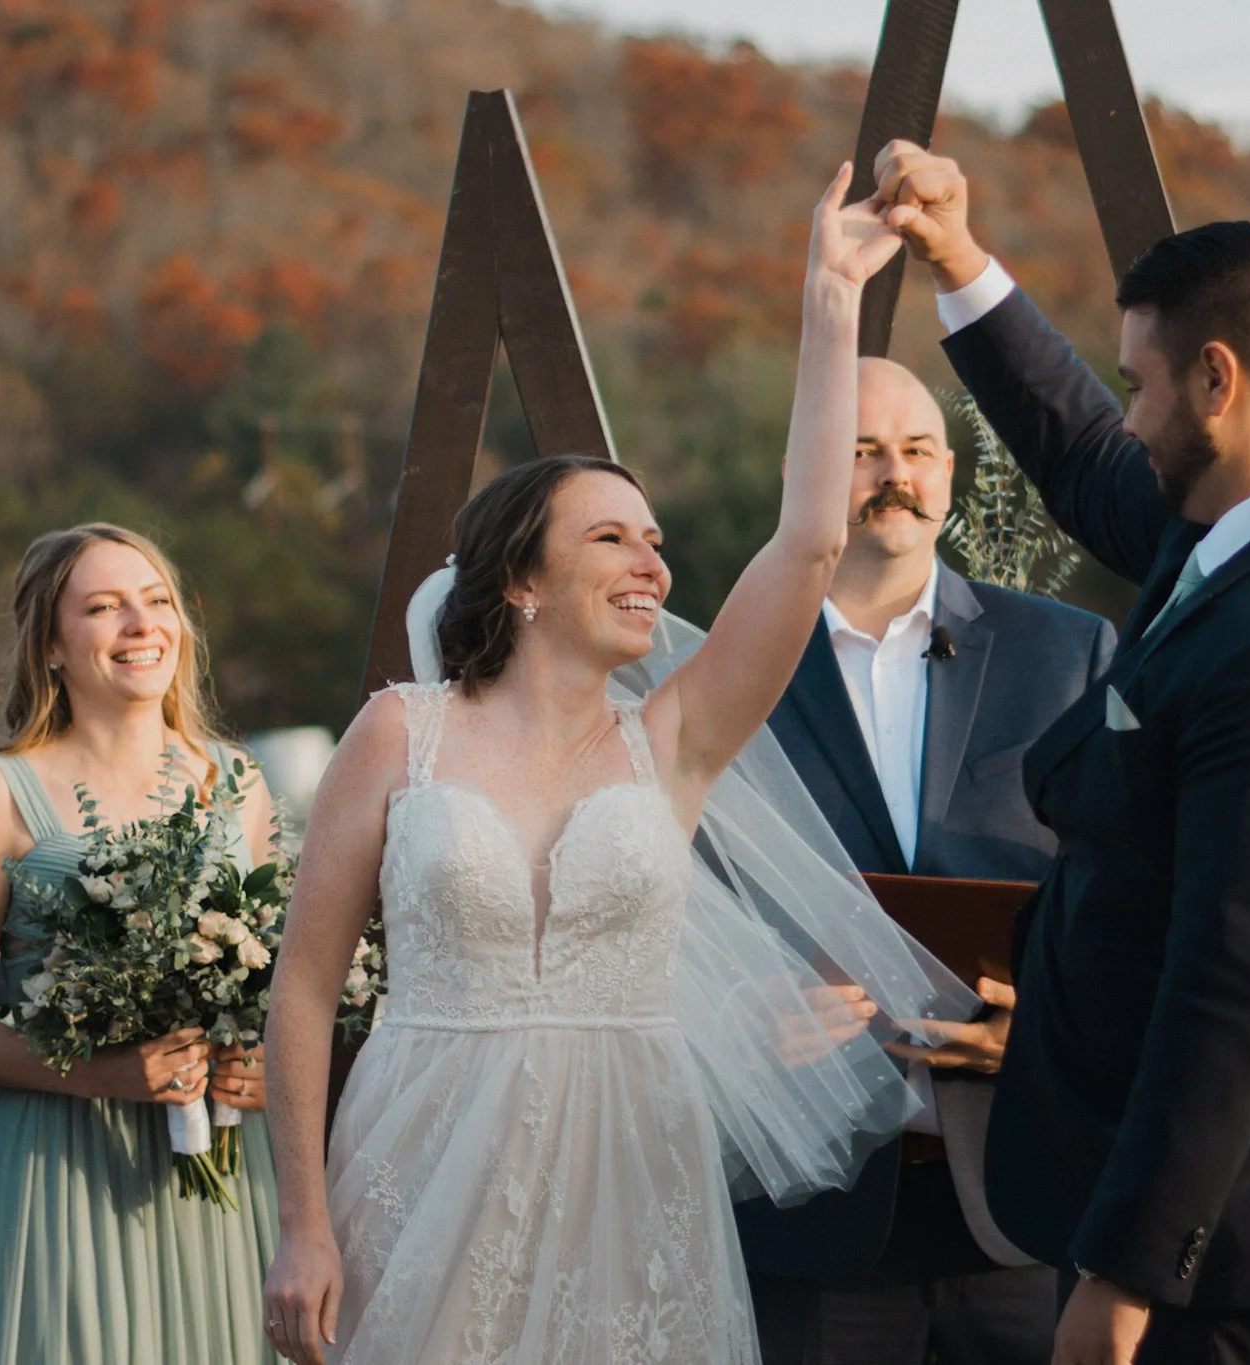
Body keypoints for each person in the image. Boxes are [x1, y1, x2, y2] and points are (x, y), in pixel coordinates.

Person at [260, 166, 953, 1365]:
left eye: (656, 540)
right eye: (609, 537)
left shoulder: (670, 740)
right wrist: (303, 1227)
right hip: (419, 1157)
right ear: (520, 580)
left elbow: (807, 539)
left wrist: (828, 299)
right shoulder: (397, 733)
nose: (651, 563)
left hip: (633, 1169)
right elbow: (303, 992)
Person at [871, 141, 1250, 1365]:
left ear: (1215, 380)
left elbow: (1235, 987)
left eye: (1137, 384)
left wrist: (1127, 1274)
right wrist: (960, 264)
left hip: (1229, 1262)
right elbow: (1089, 463)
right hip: (1173, 1226)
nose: (1124, 412)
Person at [738, 356, 1115, 1365]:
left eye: (913, 450)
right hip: (813, 1204)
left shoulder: (1068, 652)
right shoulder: (730, 667)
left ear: (947, 475)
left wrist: (1046, 1028)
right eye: (859, 451)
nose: (891, 474)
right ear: (803, 470)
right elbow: (678, 895)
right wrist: (740, 1016)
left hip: (1021, 1193)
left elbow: (1125, 888)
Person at [0, 521, 282, 1365]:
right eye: (104, 608)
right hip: (65, 1168)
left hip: (225, 1158)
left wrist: (255, 1060)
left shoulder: (237, 781)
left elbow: (262, 976)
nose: (140, 625)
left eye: (156, 602)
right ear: (50, 643)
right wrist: (105, 1072)